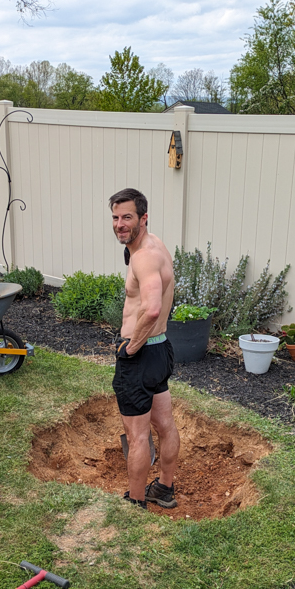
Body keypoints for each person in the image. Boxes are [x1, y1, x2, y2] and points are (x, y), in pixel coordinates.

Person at [110, 187, 180, 509]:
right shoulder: (156, 245)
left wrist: (130, 348)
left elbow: (151, 309)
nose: (119, 224)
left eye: (127, 217)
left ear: (143, 217)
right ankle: (164, 488)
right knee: (165, 424)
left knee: (137, 435)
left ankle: (136, 501)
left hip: (140, 355)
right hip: (160, 348)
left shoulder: (143, 258)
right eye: (115, 217)